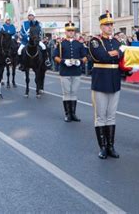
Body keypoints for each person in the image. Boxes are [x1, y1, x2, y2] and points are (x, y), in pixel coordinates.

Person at [88, 11, 124, 159]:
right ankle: (102, 147)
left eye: (111, 25)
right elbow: (100, 56)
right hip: (101, 80)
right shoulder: (95, 41)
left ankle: (111, 146)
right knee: (100, 116)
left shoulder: (116, 42)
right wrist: (116, 53)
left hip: (114, 80)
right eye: (107, 25)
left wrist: (114, 54)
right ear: (101, 26)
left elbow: (123, 57)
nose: (110, 27)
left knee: (111, 116)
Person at [53, 21, 87, 122]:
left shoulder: (79, 44)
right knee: (67, 93)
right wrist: (64, 61)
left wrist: (80, 61)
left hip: (76, 71)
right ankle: (67, 114)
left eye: (72, 31)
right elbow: (55, 56)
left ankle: (73, 113)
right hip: (65, 71)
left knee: (74, 92)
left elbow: (85, 56)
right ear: (65, 32)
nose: (71, 32)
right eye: (69, 31)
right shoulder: (61, 44)